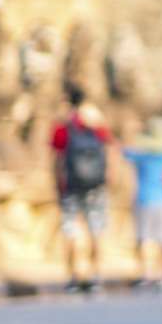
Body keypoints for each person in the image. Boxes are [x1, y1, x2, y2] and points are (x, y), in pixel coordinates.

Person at [50, 84, 113, 292]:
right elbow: (108, 146)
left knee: (71, 229)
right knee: (96, 228)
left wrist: (57, 181)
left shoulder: (63, 125)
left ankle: (74, 275)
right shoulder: (95, 122)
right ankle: (96, 274)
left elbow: (56, 155)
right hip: (96, 183)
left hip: (70, 184)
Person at [123, 114, 162, 288]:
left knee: (145, 238)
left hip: (144, 198)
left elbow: (124, 151)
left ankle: (146, 273)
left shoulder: (142, 155)